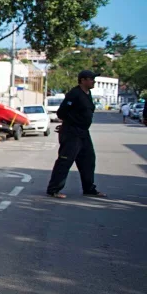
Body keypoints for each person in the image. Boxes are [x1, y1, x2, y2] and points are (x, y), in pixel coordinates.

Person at [46, 70, 106, 199]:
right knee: (65, 160)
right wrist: (68, 124)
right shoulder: (74, 94)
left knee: (88, 160)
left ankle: (89, 188)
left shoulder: (88, 93)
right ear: (83, 80)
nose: (93, 81)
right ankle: (54, 189)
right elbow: (62, 113)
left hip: (83, 132)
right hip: (72, 132)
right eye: (91, 79)